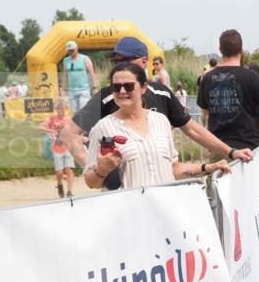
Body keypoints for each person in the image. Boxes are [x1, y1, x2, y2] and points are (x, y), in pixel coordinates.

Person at [61, 36, 253, 190]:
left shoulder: (162, 96)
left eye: (126, 60)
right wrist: (102, 170)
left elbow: (192, 130)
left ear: (144, 62)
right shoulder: (106, 97)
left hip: (163, 203)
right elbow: (68, 135)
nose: (120, 66)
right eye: (116, 61)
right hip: (126, 203)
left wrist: (230, 152)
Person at [85, 63, 232, 190]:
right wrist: (102, 170)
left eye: (129, 86)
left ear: (143, 88)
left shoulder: (161, 121)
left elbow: (173, 169)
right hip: (130, 210)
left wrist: (207, 168)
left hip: (164, 206)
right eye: (116, 87)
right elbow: (91, 182)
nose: (122, 91)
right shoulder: (103, 127)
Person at [196, 30, 259, 154]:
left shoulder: (207, 78)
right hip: (247, 150)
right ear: (241, 50)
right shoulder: (252, 77)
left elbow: (205, 115)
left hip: (218, 148)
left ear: (220, 49)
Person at [39, 99, 75, 198]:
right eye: (60, 108)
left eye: (63, 108)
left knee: (69, 170)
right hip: (57, 148)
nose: (62, 110)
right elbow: (40, 127)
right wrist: (50, 130)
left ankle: (70, 191)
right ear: (56, 109)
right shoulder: (52, 119)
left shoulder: (69, 119)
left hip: (68, 148)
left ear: (66, 109)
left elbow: (75, 131)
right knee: (59, 172)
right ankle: (59, 185)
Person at [60, 41, 98, 113]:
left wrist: (94, 87)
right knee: (75, 112)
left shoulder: (85, 58)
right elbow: (64, 75)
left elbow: (92, 73)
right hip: (72, 90)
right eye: (69, 50)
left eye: (72, 50)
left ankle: (84, 120)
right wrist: (63, 88)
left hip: (84, 89)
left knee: (83, 110)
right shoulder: (66, 60)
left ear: (77, 48)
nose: (71, 52)